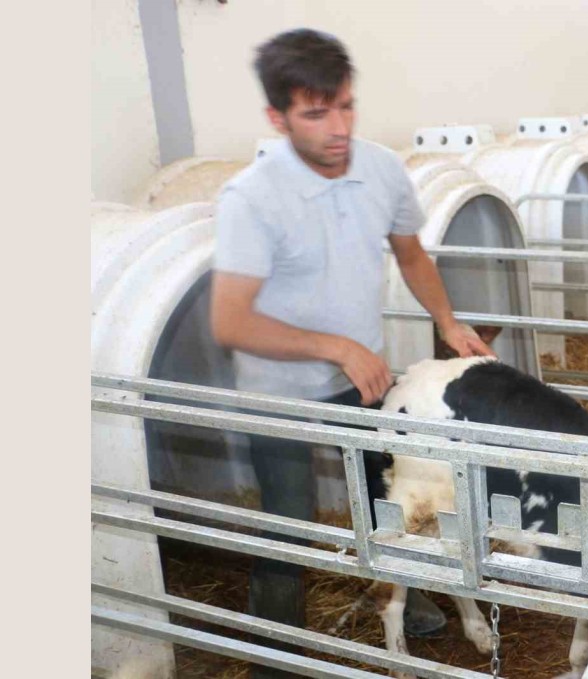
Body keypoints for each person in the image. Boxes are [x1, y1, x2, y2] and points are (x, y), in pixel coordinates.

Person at [209, 29, 494, 676]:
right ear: (276, 118)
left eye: (345, 105)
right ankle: (274, 659)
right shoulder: (252, 199)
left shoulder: (381, 169)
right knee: (290, 523)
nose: (338, 127)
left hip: (358, 375)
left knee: (389, 499)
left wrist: (447, 321)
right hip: (276, 389)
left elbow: (411, 251)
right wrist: (334, 345)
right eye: (316, 113)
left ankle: (406, 598)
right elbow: (230, 320)